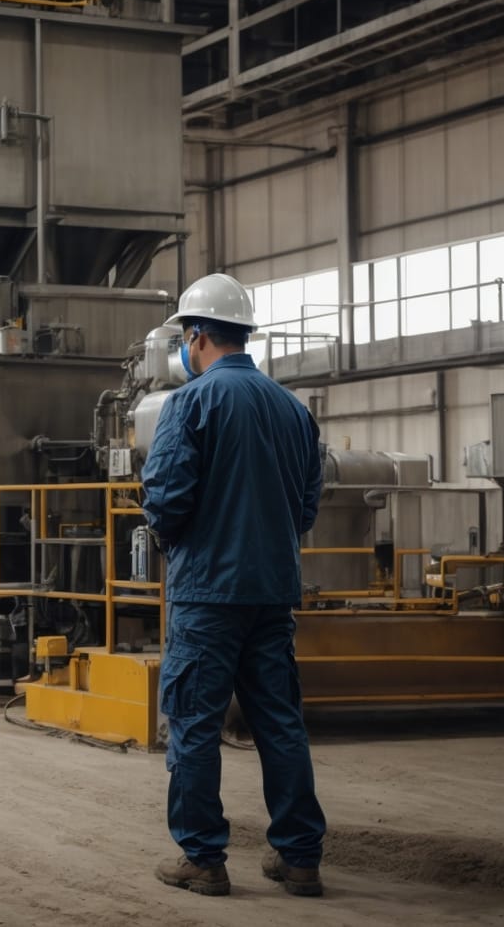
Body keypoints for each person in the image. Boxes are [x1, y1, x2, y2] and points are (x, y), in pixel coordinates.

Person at [140, 273, 328, 899]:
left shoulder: (190, 404)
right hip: (272, 592)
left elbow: (165, 498)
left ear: (195, 338)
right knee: (278, 721)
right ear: (243, 334)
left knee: (195, 723)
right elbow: (305, 506)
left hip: (207, 596)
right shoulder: (293, 410)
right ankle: (300, 858)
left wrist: (185, 546)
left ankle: (204, 858)